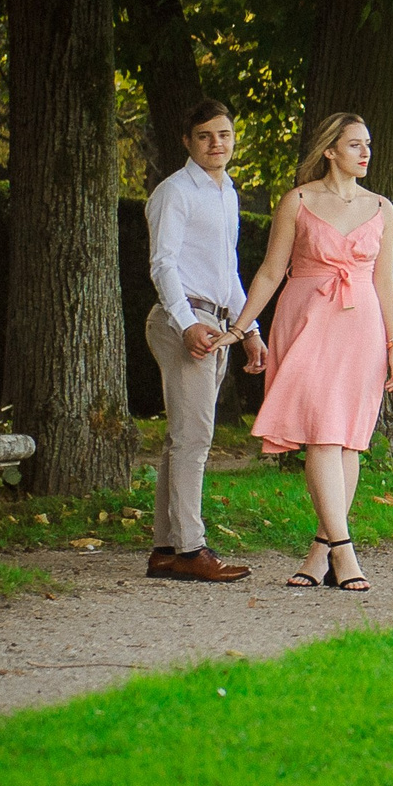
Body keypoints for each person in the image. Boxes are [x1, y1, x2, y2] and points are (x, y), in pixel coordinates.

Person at [228, 111, 393, 592]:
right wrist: (240, 328)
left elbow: (385, 281)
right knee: (324, 437)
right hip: (307, 322)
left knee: (348, 440)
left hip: (362, 328)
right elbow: (269, 272)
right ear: (330, 150)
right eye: (355, 145)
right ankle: (347, 556)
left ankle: (319, 553)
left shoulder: (381, 207)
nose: (366, 152)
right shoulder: (299, 201)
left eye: (368, 144)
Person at [143, 100, 265, 583]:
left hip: (217, 326)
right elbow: (163, 264)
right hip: (183, 322)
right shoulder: (174, 192)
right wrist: (186, 322)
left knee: (182, 441)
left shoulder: (226, 192)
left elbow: (227, 272)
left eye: (225, 135)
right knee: (194, 439)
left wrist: (250, 330)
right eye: (206, 136)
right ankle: (192, 549)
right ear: (188, 142)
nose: (217, 144)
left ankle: (166, 549)